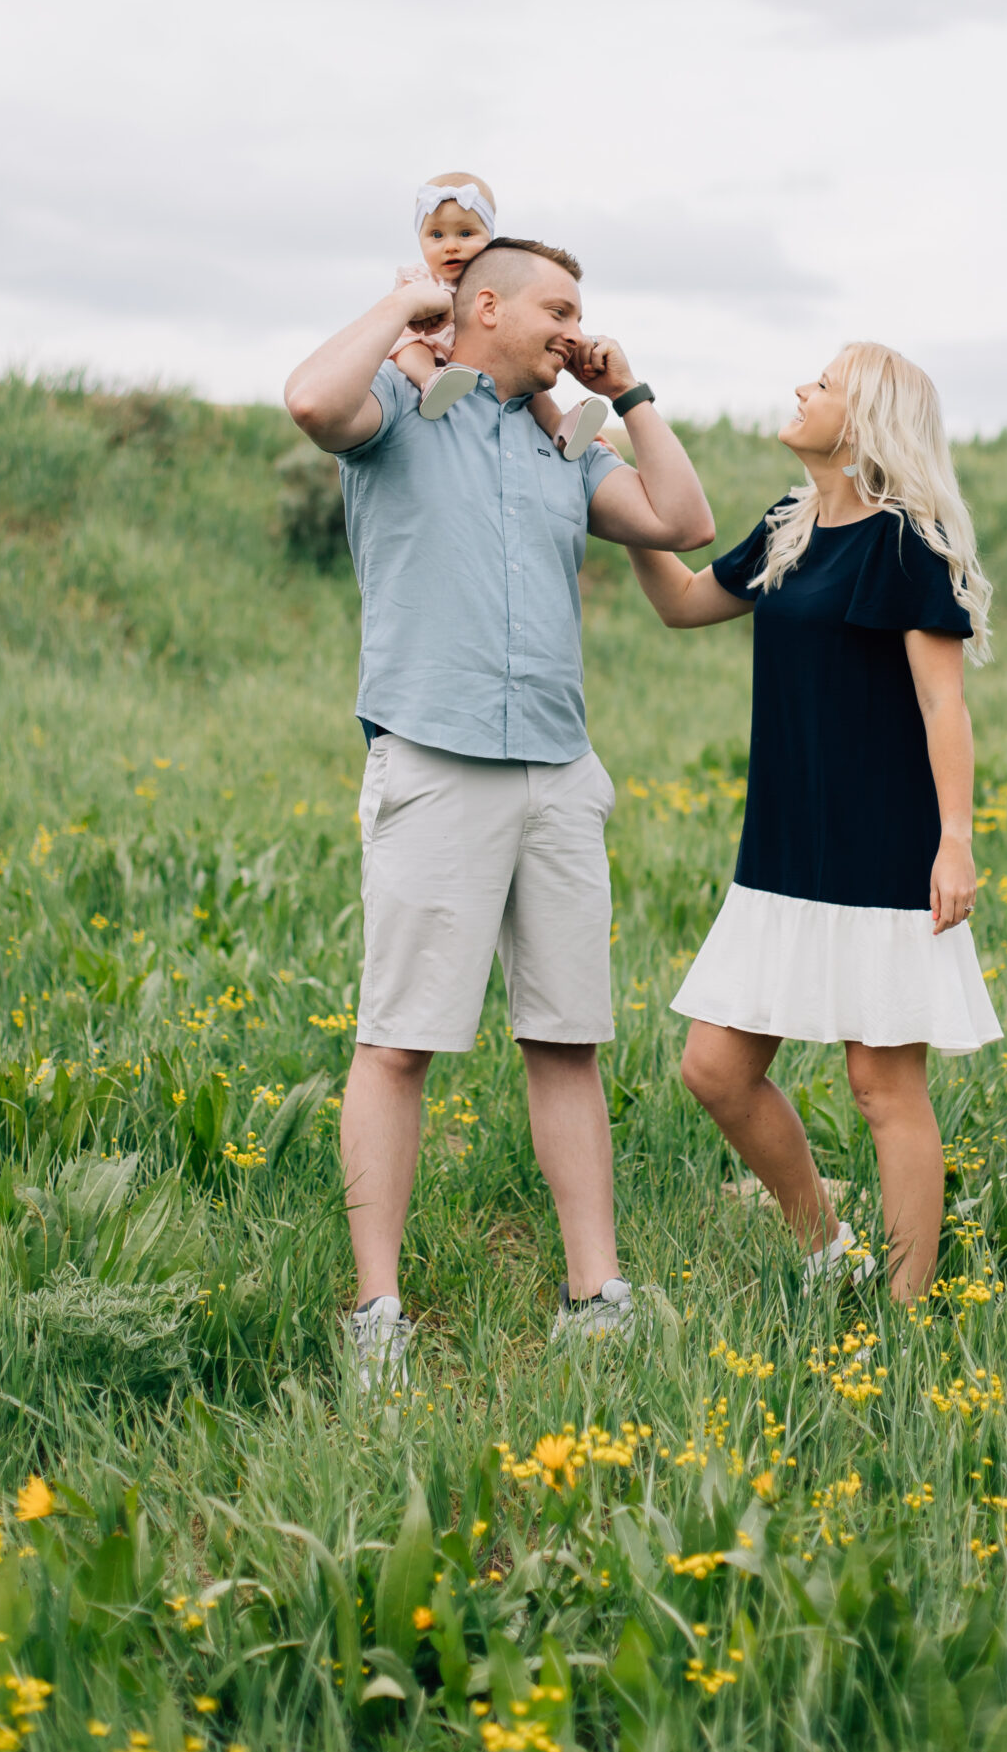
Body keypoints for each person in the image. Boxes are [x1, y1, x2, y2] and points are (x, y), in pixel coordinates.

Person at [284, 235, 715, 1387]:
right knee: (400, 1041)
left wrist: (626, 392)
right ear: (483, 306)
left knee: (565, 1035)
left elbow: (683, 522)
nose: (575, 323)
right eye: (559, 305)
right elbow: (306, 398)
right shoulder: (397, 410)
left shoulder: (564, 444)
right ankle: (376, 1311)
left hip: (558, 773)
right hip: (437, 761)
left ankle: (596, 1291)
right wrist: (401, 304)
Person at [626, 342, 1001, 1303]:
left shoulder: (905, 541)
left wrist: (954, 839)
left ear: (865, 418)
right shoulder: (790, 528)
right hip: (782, 854)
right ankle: (831, 1248)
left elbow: (941, 705)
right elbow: (679, 601)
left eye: (824, 384)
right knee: (714, 1070)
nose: (802, 389)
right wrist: (619, 492)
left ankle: (910, 1316)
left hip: (881, 852)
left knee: (883, 1088)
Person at [388, 171, 610, 461]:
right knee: (411, 346)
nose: (451, 245)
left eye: (465, 234)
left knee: (528, 379)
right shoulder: (420, 279)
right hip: (431, 346)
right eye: (436, 235)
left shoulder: (497, 280)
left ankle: (561, 427)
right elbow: (402, 317)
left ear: (489, 237)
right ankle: (430, 382)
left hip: (477, 364)